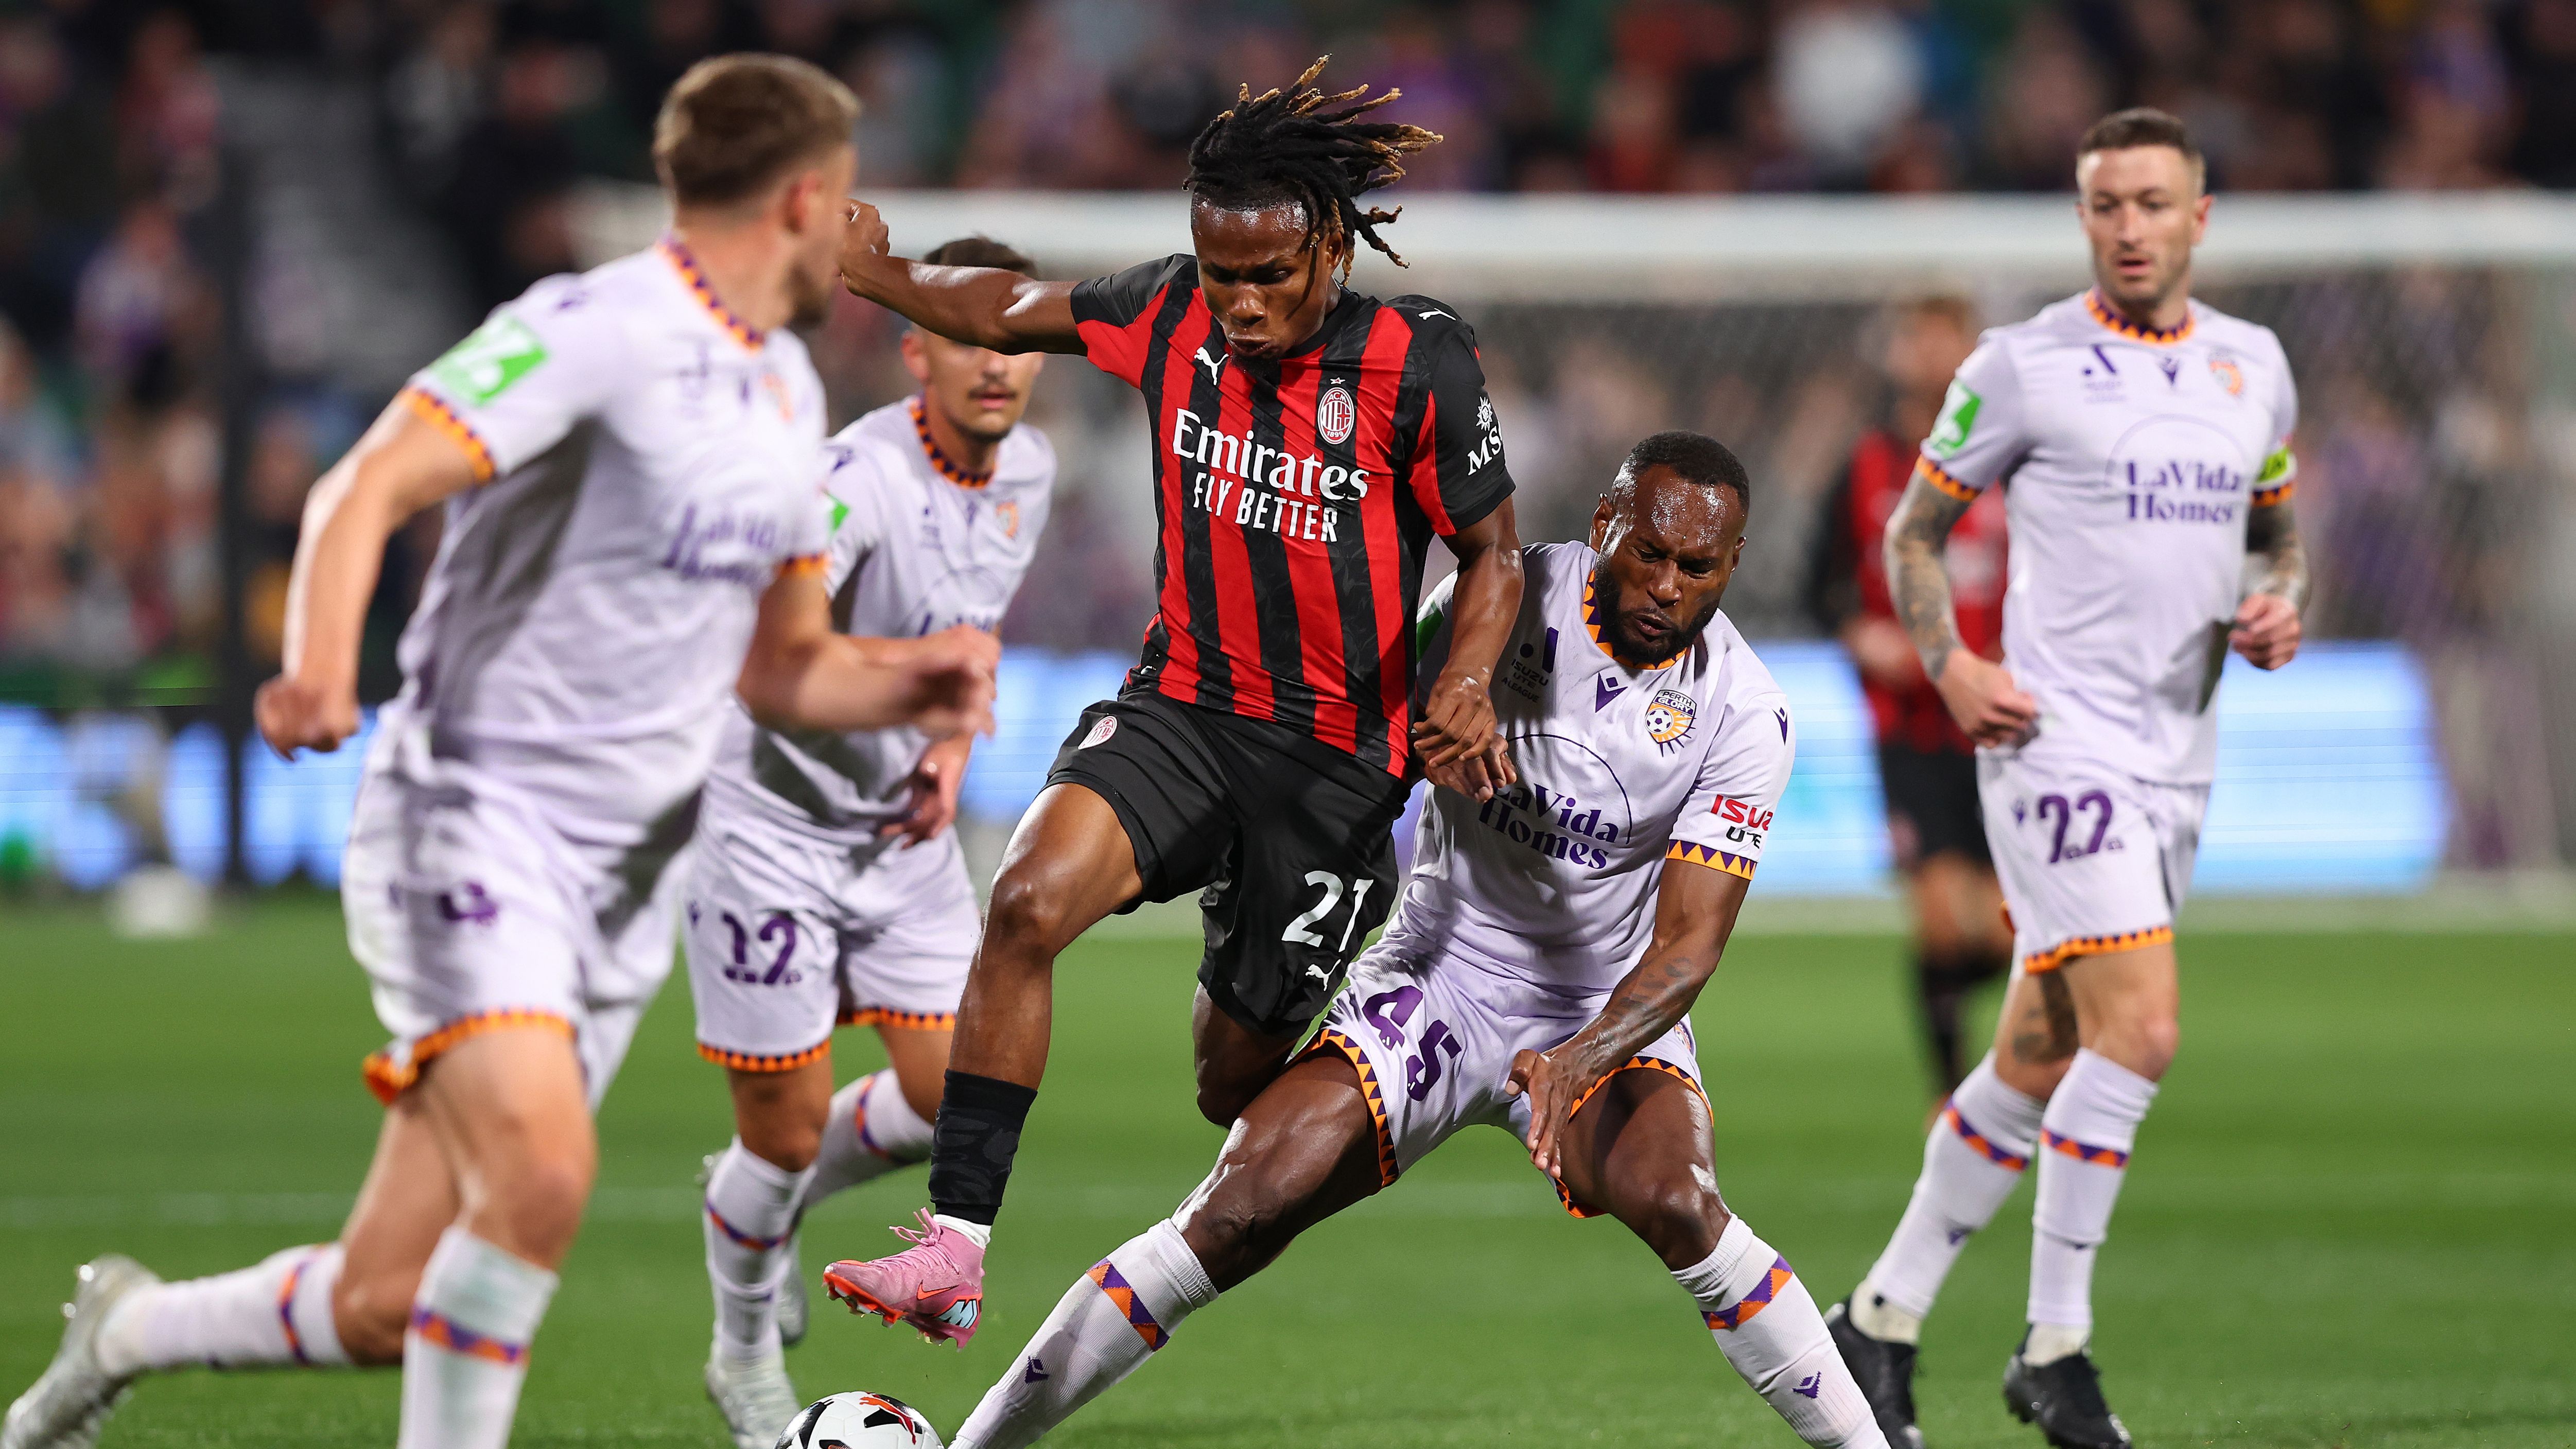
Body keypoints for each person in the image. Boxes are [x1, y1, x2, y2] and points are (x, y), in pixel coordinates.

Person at [3, 55, 997, 1449]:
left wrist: (922, 674)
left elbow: (782, 668)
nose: (855, 243)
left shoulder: (777, 388)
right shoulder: (592, 328)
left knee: (382, 1303)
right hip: (476, 821)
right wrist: (315, 661)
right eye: (847, 208)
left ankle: (127, 1328)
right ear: (802, 196)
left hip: (616, 886)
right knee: (540, 1173)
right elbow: (370, 481)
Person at [934, 432, 1886, 1449]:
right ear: (1608, 522)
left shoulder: (1746, 712)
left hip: (1596, 1007)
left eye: (1697, 567)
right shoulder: (1509, 598)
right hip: (1438, 970)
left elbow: (1689, 947)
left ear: (1732, 565)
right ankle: (976, 1446)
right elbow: (1374, 743)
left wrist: (1582, 1058)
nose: (1665, 584)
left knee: (1684, 1203)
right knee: (1238, 1208)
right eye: (1648, 550)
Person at [816, 57, 1527, 1346]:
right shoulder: (1168, 314)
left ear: (1325, 251)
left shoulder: (1419, 367)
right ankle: (953, 1248)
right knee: (1025, 900)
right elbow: (1014, 303)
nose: (1241, 303)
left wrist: (1467, 680)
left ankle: (1388, 1045)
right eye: (1220, 273)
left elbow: (1494, 555)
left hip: (1335, 770)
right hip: (1184, 711)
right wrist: (884, 277)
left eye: (1267, 275)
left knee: (1227, 1080)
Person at [1825, 109, 2306, 1449]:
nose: (2130, 228)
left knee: (2036, 1051)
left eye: (2153, 204)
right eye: (2105, 206)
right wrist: (1953, 664)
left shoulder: (2251, 371)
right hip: (2051, 741)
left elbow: (2277, 539)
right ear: (2081, 217)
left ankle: (1876, 1319)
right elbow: (1914, 533)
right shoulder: (2023, 366)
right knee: (2138, 1030)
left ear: (2197, 217)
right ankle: (2054, 1347)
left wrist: (2281, 605)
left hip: (2179, 755)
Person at [687, 234, 1055, 1446]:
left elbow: (974, 633)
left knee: (955, 1095)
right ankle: (742, 1354)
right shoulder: (852, 479)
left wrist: (947, 747)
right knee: (781, 1133)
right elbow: (766, 669)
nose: (993, 365)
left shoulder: (1031, 475)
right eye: (964, 336)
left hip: (899, 838)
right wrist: (923, 679)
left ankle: (768, 1209)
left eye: (1013, 339)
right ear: (916, 352)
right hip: (775, 829)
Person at [1804, 297, 2011, 1100]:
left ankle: (1980, 1037)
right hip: (1909, 729)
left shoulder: (2010, 464)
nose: (1930, 356)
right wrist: (1862, 637)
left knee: (2001, 933)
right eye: (1917, 338)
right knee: (1936, 914)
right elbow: (1821, 586)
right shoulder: (1862, 467)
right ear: (1896, 351)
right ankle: (1950, 1093)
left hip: (1997, 728)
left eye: (1946, 339)